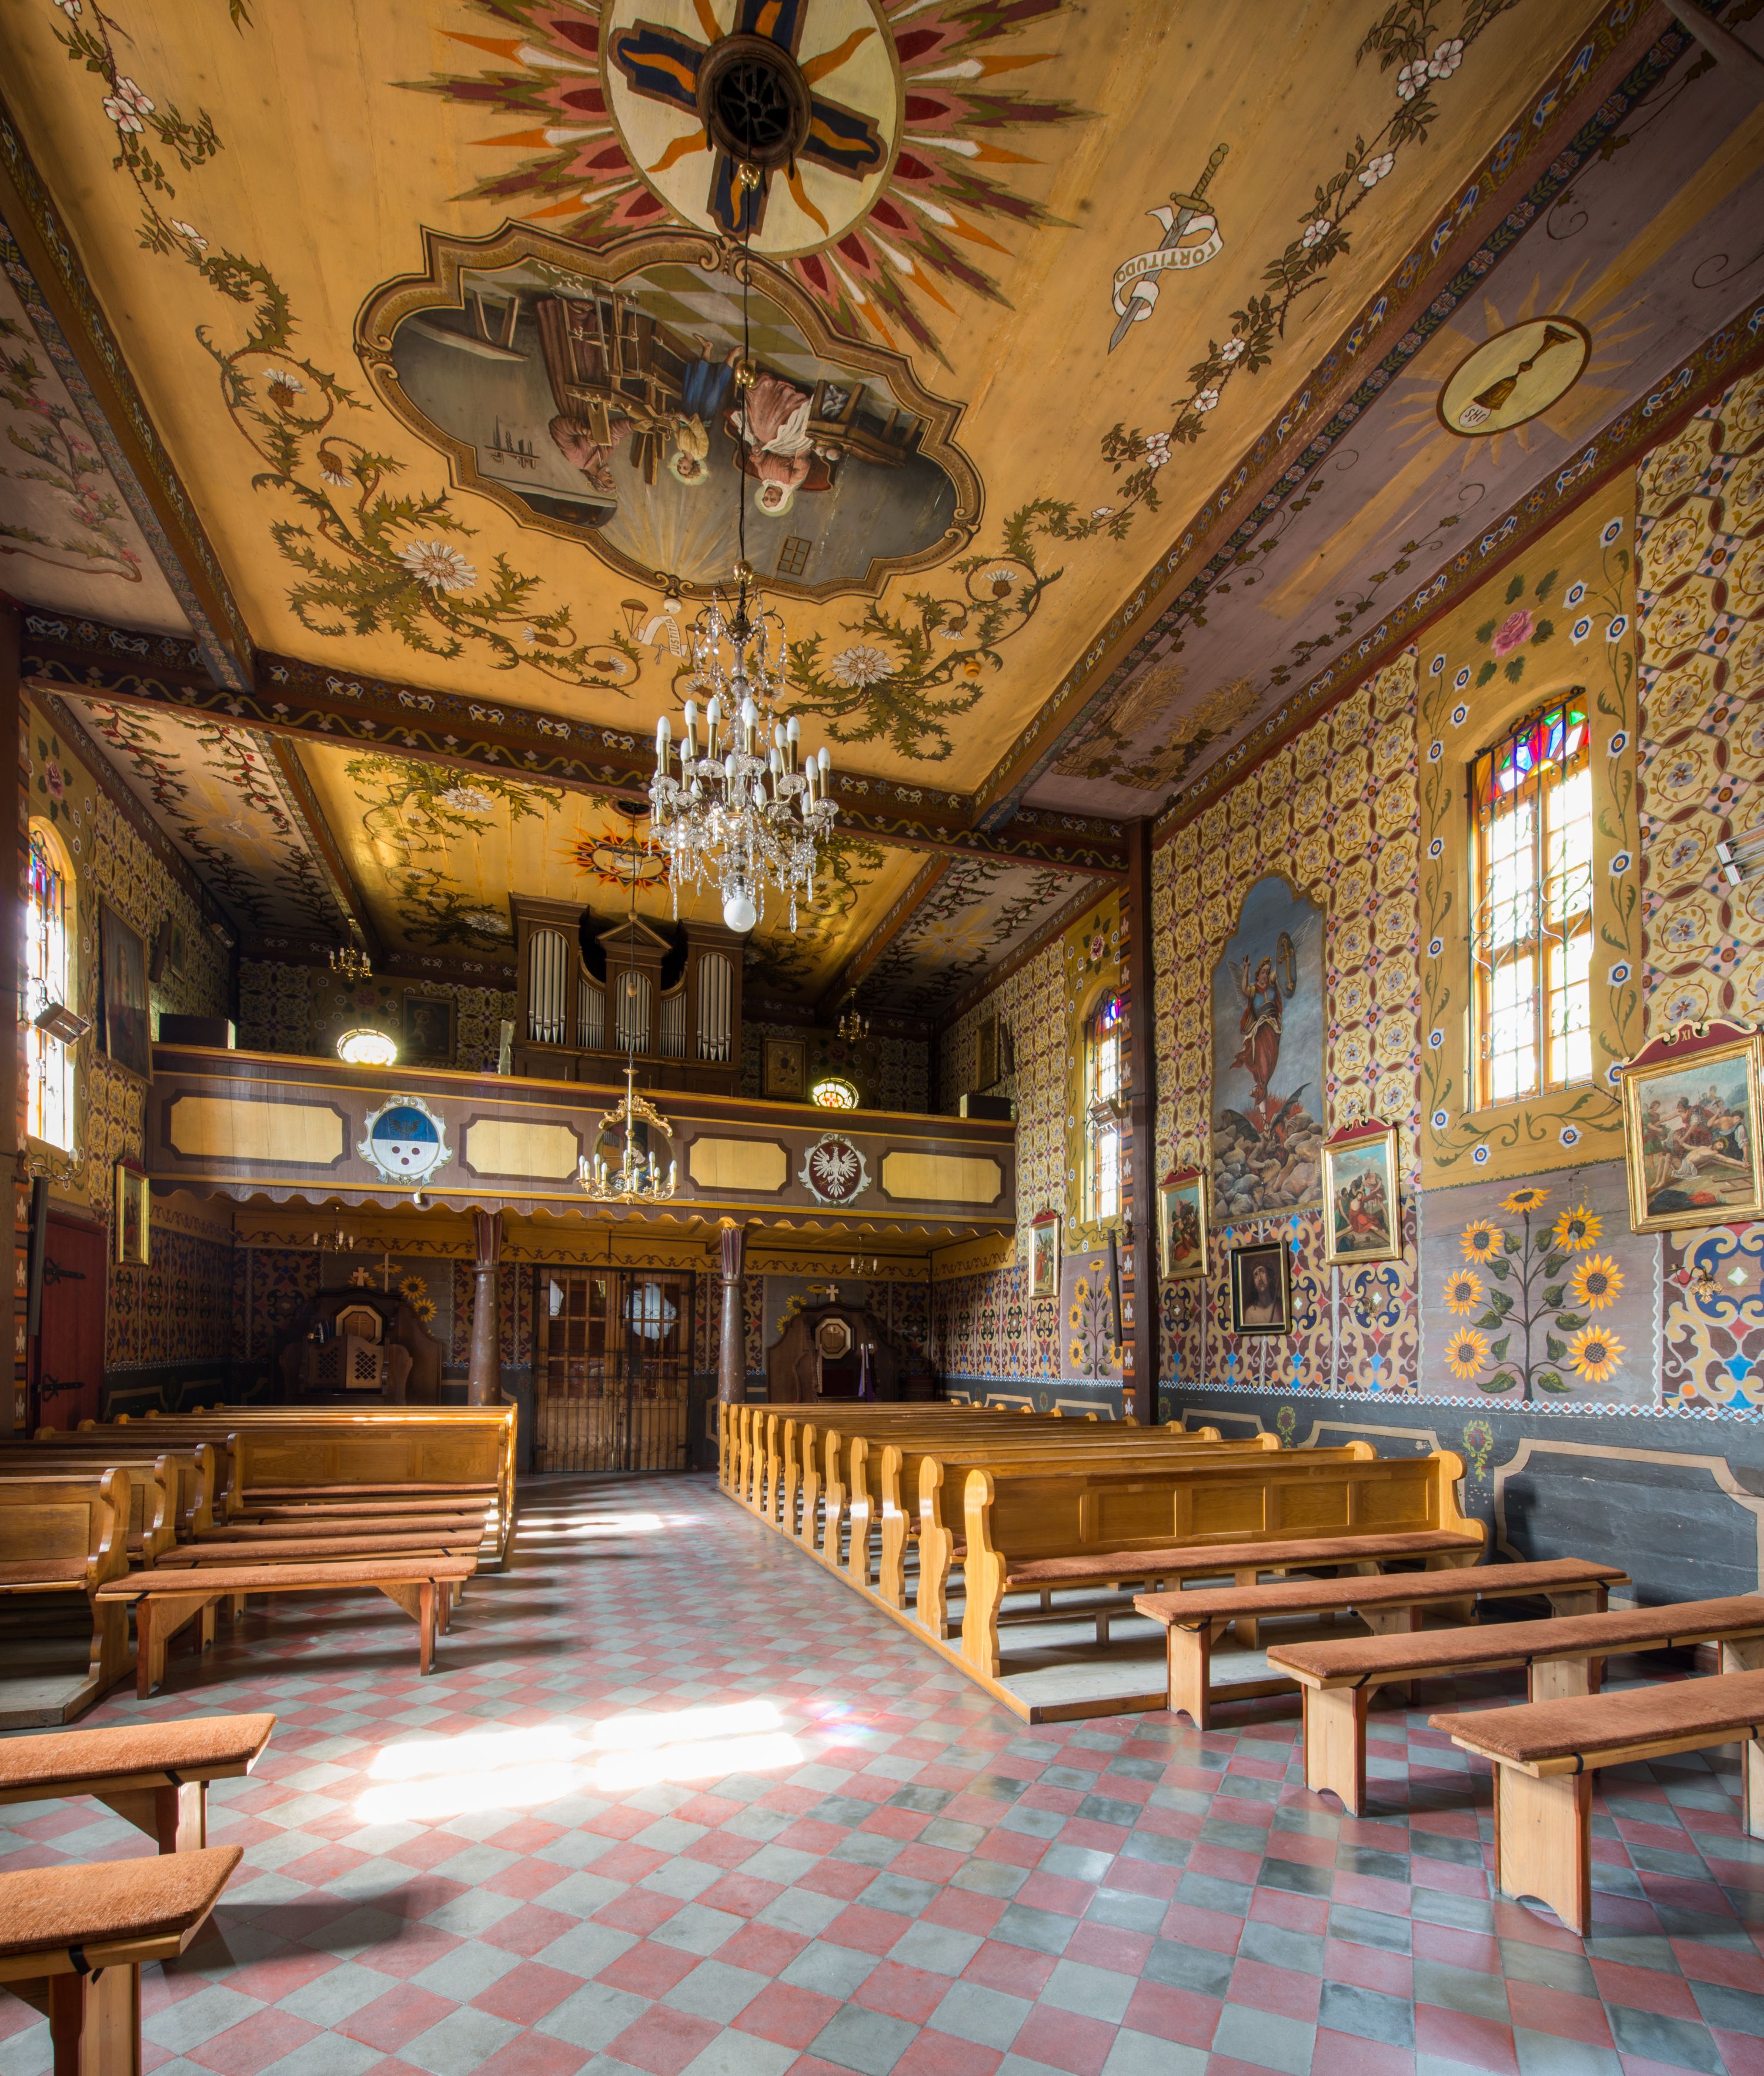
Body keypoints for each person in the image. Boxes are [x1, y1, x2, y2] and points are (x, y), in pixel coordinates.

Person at [1239, 1254, 1282, 1328]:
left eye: (1262, 1272)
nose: (1260, 1278)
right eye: (1256, 1275)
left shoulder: (1278, 1308)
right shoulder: (1250, 1313)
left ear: (1269, 1277)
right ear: (1254, 1285)